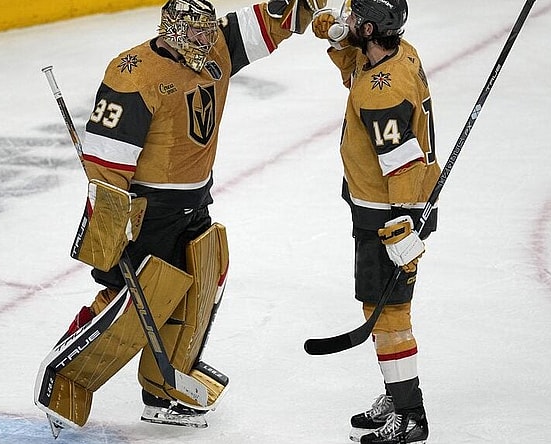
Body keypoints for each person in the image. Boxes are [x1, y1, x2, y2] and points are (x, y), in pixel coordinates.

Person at [35, 0, 321, 434]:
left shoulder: (214, 46)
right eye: (199, 33)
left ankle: (162, 387)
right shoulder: (133, 73)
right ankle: (64, 377)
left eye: (211, 31)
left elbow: (277, 18)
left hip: (195, 198)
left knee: (204, 279)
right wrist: (113, 229)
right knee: (132, 299)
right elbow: (106, 166)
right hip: (147, 209)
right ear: (172, 31)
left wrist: (304, 5)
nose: (210, 40)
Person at [311, 0, 440, 443]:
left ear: (369, 28)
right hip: (393, 207)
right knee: (388, 309)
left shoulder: (382, 93)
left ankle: (409, 413)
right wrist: (337, 39)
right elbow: (358, 66)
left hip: (389, 214)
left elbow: (400, 164)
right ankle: (396, 388)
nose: (345, 20)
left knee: (386, 313)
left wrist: (402, 229)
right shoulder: (400, 53)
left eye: (353, 18)